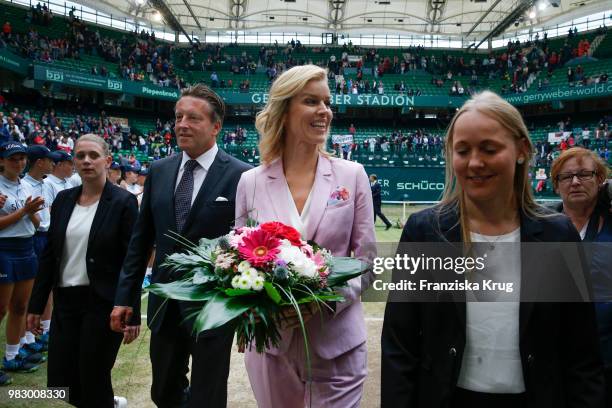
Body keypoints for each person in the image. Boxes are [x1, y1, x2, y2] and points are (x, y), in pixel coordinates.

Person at [381, 91, 605, 408]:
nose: (475, 162)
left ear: (522, 150)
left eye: (489, 148)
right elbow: (399, 346)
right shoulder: (425, 231)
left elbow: (581, 354)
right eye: (462, 150)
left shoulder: (558, 235)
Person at [235, 64, 376, 407]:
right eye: (311, 101)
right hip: (271, 349)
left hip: (337, 345)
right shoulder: (250, 182)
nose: (324, 111)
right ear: (285, 109)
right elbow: (240, 259)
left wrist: (321, 302)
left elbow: (366, 264)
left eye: (327, 103)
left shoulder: (352, 175)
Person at [111, 84, 251, 408]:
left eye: (193, 118)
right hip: (164, 303)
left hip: (214, 307)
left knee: (208, 397)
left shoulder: (243, 176)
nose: (182, 124)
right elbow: (140, 242)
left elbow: (249, 250)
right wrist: (126, 298)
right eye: (178, 117)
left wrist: (247, 314)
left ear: (216, 126)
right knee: (163, 392)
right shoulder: (159, 170)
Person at [27, 134, 140, 407]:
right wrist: (37, 304)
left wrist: (131, 309)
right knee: (63, 381)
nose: (86, 161)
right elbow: (50, 255)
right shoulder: (64, 200)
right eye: (80, 156)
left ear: (107, 160)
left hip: (102, 304)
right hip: (66, 303)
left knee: (94, 377)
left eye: (93, 155)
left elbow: (131, 260)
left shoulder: (123, 202)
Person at [551, 147, 612, 405]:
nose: (575, 182)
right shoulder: (539, 227)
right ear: (556, 185)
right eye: (566, 177)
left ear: (600, 180)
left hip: (606, 358)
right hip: (555, 361)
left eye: (585, 174)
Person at [0, 142, 45, 385]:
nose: (18, 162)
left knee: (20, 307)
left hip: (27, 247)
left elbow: (35, 223)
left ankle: (12, 356)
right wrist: (24, 211)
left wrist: (34, 213)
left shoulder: (27, 184)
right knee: (1, 310)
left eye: (21, 158)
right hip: (4, 249)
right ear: (2, 161)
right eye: (12, 158)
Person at [22, 145, 55, 353]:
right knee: (30, 291)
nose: (52, 163)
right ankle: (27, 338)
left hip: (46, 236)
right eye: (49, 160)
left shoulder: (44, 184)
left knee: (47, 285)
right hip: (33, 238)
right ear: (39, 162)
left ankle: (42, 330)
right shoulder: (25, 185)